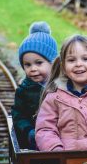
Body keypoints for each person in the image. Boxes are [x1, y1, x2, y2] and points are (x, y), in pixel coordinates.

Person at [11, 21, 58, 150]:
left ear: (53, 63)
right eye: (27, 65)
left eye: (38, 63)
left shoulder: (62, 86)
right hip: (35, 141)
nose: (33, 69)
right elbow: (18, 115)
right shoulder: (24, 90)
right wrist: (28, 131)